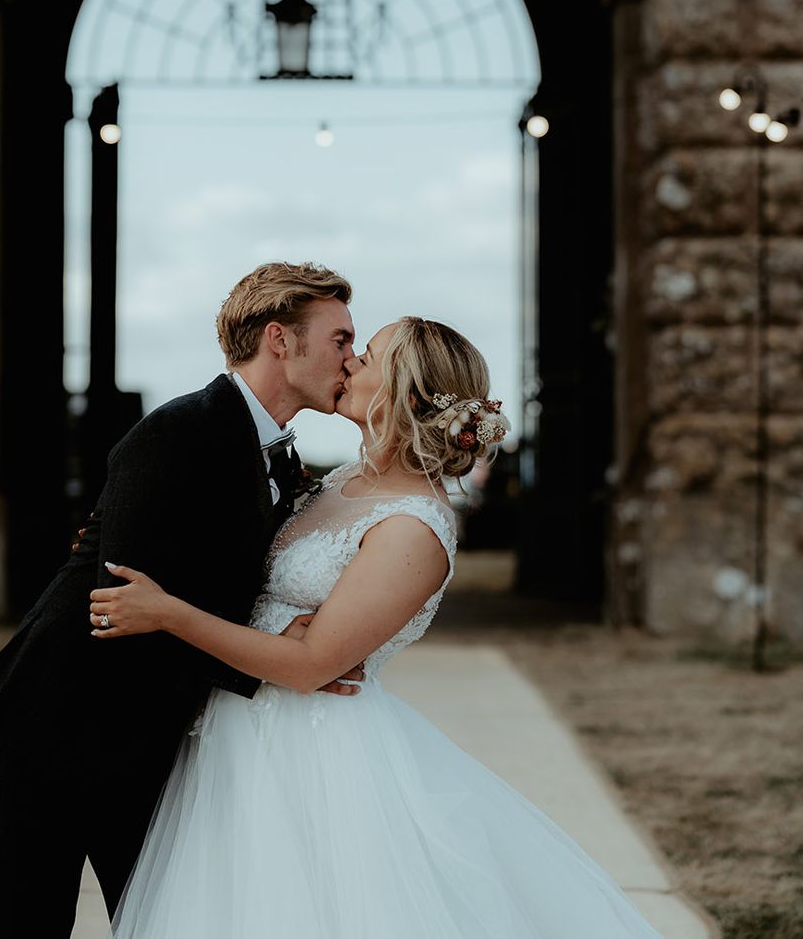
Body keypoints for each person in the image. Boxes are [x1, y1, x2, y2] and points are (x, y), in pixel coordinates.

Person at [93, 316, 667, 939]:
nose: (346, 364)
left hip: (309, 750)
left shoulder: (412, 527)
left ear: (403, 393)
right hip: (234, 725)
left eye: (364, 356)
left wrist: (168, 613)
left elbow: (314, 665)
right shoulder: (339, 482)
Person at [0, 261, 369, 937]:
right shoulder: (182, 430)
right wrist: (278, 661)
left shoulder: (276, 456)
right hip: (60, 718)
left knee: (171, 920)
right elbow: (122, 603)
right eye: (340, 340)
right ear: (280, 339)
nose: (350, 361)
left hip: (145, 731)